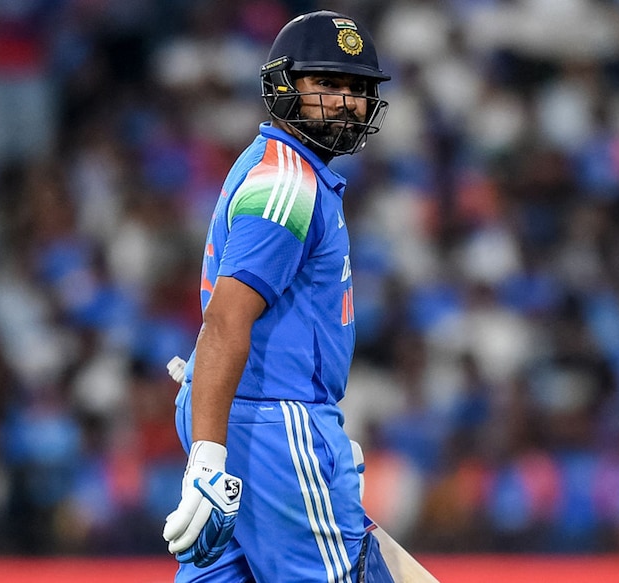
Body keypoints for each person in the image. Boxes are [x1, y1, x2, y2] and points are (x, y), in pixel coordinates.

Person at [161, 10, 396, 582]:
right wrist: (223, 459)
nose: (346, 102)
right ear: (283, 85)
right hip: (275, 424)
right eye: (328, 84)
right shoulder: (287, 183)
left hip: (253, 422)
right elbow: (225, 321)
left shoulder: (281, 169)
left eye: (358, 89)